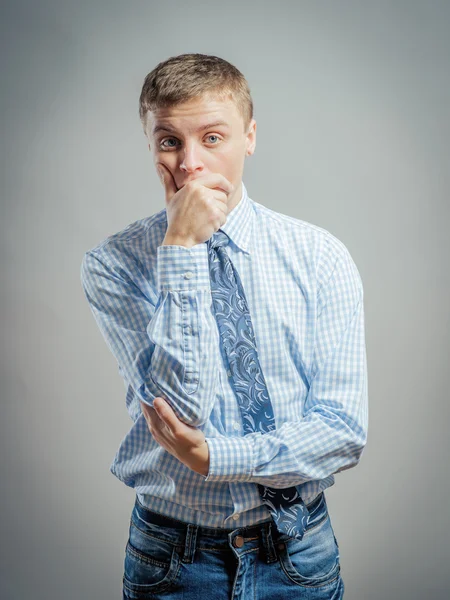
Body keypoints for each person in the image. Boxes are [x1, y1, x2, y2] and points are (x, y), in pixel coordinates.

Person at [80, 52, 368, 599]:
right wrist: (183, 249)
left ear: (250, 136)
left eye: (212, 138)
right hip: (172, 557)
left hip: (298, 550)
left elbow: (342, 431)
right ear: (150, 145)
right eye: (170, 141)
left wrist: (217, 458)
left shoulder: (320, 256)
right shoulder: (112, 265)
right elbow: (181, 409)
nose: (190, 163)